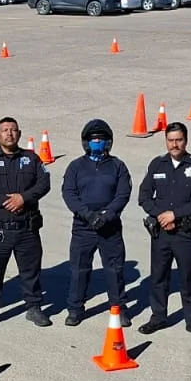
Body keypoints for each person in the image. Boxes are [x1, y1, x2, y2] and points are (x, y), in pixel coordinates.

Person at [0, 116, 52, 328]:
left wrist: (23, 198)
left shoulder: (31, 158)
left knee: (31, 272)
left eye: (13, 130)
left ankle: (34, 308)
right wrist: (6, 201)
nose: (9, 133)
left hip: (26, 228)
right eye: (5, 130)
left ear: (19, 134)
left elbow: (44, 183)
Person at [137, 122, 191, 338]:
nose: (174, 144)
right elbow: (144, 197)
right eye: (170, 140)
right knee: (159, 277)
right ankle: (158, 317)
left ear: (186, 140)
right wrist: (162, 216)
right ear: (166, 141)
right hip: (161, 233)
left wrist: (175, 215)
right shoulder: (157, 164)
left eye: (178, 140)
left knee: (188, 277)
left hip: (185, 233)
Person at [60, 118, 132, 326]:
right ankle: (75, 309)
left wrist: (107, 215)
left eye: (101, 139)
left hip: (110, 228)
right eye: (93, 139)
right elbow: (69, 194)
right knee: (79, 270)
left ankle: (119, 308)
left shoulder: (118, 166)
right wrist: (88, 215)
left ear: (108, 142)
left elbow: (123, 193)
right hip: (83, 227)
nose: (97, 142)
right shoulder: (75, 166)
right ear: (86, 142)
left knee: (115, 270)